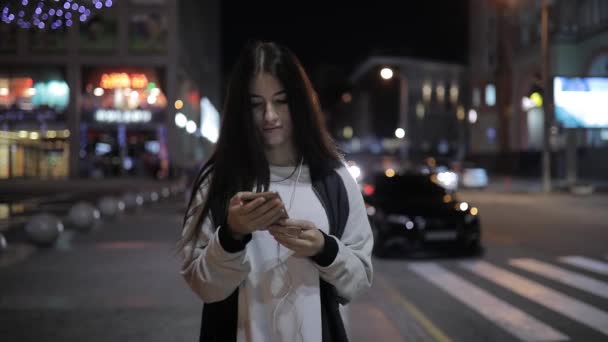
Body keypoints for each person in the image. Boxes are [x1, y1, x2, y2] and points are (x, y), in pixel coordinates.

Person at [178, 40, 374, 342]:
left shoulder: (333, 178)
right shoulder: (219, 180)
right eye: (256, 104)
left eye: (281, 101)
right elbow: (201, 283)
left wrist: (324, 248)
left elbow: (359, 279)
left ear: (300, 102)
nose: (269, 115)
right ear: (241, 110)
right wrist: (231, 236)